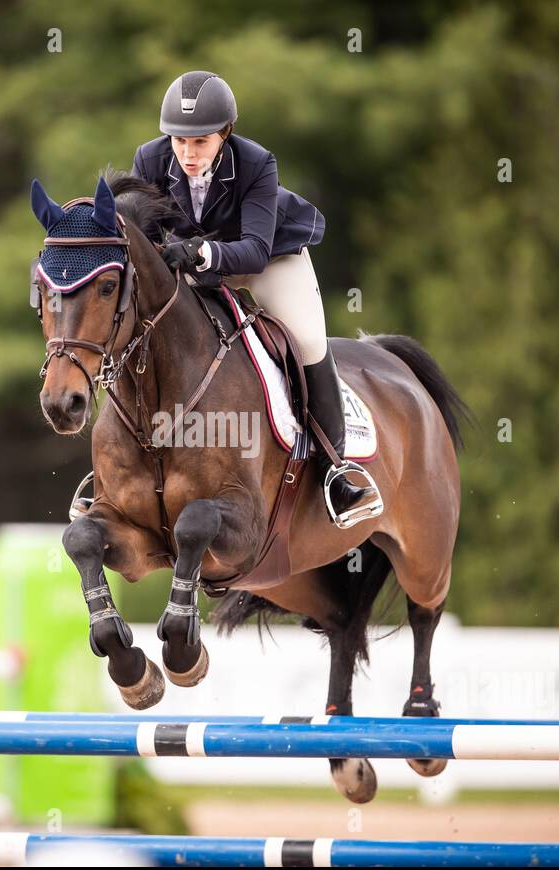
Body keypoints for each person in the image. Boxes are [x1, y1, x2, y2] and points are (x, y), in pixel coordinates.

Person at [131, 70, 382, 527]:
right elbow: (148, 249)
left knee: (307, 340)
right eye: (179, 142)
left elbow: (256, 249)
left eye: (200, 142)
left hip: (266, 258)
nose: (188, 153)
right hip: (195, 264)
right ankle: (122, 463)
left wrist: (203, 252)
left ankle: (337, 471)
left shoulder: (255, 162)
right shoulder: (149, 160)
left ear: (225, 135)